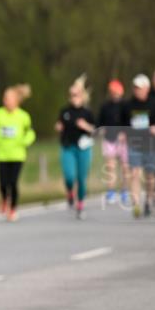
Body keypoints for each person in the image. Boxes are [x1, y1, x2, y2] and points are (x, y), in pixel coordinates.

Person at [0, 84, 36, 222]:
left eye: (8, 98)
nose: (6, 101)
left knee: (13, 182)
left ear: (16, 100)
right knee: (3, 183)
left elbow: (30, 132)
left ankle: (13, 208)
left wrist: (24, 142)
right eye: (5, 98)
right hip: (2, 154)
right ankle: (4, 199)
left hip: (17, 154)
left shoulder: (23, 116)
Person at [55, 75, 95, 219]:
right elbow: (59, 125)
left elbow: (95, 130)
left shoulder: (87, 113)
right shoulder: (65, 112)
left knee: (81, 178)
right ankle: (70, 191)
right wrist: (58, 127)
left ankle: (80, 204)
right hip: (68, 147)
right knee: (70, 176)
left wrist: (85, 126)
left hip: (84, 148)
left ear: (82, 96)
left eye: (76, 94)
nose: (74, 97)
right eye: (71, 95)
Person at [122, 74, 155, 218]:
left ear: (147, 89)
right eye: (135, 87)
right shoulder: (128, 105)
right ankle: (136, 204)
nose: (137, 90)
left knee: (150, 175)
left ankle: (148, 200)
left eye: (140, 88)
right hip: (134, 144)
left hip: (151, 144)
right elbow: (123, 123)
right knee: (135, 173)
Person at [98, 80, 129, 205]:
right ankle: (110, 191)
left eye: (117, 92)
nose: (115, 95)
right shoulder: (105, 107)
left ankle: (124, 191)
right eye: (113, 92)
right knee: (110, 167)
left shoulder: (126, 106)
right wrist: (101, 130)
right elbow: (99, 123)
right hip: (109, 139)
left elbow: (130, 122)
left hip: (124, 141)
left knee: (125, 167)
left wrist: (125, 133)